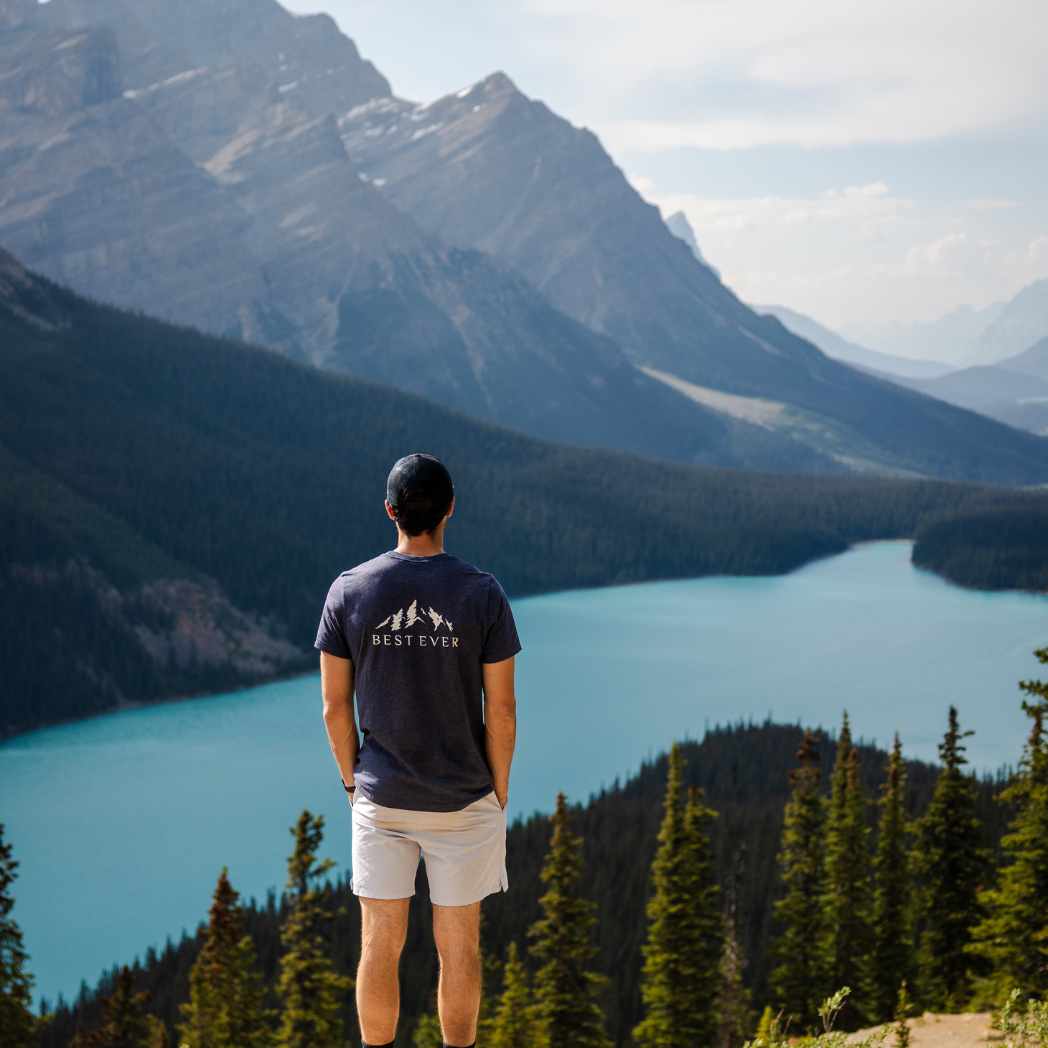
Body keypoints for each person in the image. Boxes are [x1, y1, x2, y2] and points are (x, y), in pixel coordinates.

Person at [314, 452, 521, 1048]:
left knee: (380, 943)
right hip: (464, 800)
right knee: (459, 948)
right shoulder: (482, 593)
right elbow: (501, 711)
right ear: (450, 509)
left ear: (390, 512)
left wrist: (354, 785)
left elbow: (334, 707)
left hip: (382, 798)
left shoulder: (348, 590)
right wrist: (498, 788)